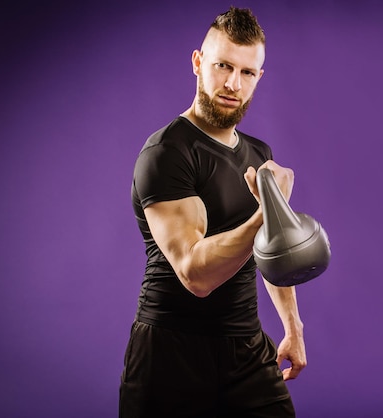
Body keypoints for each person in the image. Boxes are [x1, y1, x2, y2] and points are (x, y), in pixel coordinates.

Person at [119, 6, 306, 418]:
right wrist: (268, 212)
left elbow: (271, 251)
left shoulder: (259, 154)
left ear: (259, 78)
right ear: (198, 62)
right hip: (169, 354)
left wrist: (293, 326)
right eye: (223, 66)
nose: (232, 83)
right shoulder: (167, 153)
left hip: (246, 350)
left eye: (246, 72)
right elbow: (194, 273)